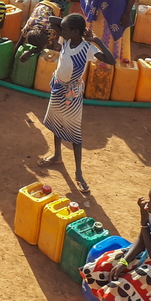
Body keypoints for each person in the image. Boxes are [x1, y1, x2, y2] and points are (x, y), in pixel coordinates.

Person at [37, 14, 115, 194]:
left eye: (65, 29)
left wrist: (96, 40)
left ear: (75, 31)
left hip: (72, 95)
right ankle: (57, 156)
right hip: (58, 87)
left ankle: (79, 173)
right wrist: (68, 24)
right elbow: (51, 20)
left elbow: (110, 60)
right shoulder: (66, 38)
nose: (60, 32)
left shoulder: (87, 48)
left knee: (73, 133)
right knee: (57, 123)